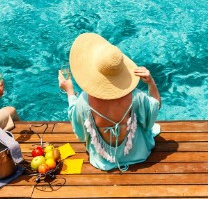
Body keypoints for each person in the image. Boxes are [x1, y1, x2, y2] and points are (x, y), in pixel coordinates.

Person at [58, 33, 161, 171]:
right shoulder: (136, 96)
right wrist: (151, 82)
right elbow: (154, 109)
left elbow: (81, 135)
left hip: (102, 161)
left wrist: (70, 92)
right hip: (139, 155)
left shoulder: (84, 101)